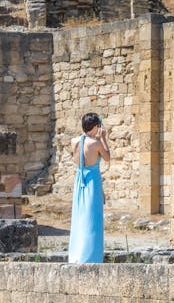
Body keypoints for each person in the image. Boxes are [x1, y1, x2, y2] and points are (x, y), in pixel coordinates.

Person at [68, 112, 110, 263]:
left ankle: (76, 255)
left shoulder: (74, 141)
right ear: (95, 127)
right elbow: (107, 158)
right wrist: (103, 138)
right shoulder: (96, 143)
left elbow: (76, 159)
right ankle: (91, 257)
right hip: (92, 181)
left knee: (80, 216)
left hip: (80, 180)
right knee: (93, 218)